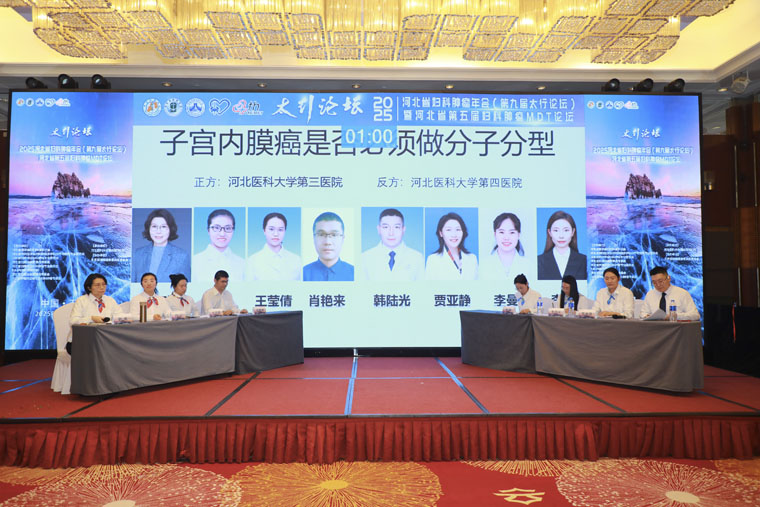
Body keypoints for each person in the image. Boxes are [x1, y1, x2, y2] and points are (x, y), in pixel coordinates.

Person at [360, 208, 424, 281]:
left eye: (396, 227)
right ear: (379, 229)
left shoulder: (417, 258)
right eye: (385, 227)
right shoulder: (365, 258)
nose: (391, 233)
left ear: (403, 230)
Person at [132, 209, 191, 283]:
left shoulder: (181, 256)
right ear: (149, 228)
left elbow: (185, 287)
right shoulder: (138, 254)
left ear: (170, 229)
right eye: (154, 226)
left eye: (163, 226)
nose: (158, 231)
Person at [193, 209, 245, 284]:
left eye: (228, 228)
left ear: (233, 230)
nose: (222, 234)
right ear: (208, 230)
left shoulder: (242, 264)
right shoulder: (195, 262)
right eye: (216, 228)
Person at [245, 212, 301, 281]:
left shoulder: (296, 260)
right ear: (264, 230)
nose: (276, 234)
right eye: (271, 229)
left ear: (285, 231)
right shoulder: (252, 261)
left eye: (280, 229)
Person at [425, 212, 478, 280]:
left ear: (463, 232)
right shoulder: (433, 260)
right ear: (441, 233)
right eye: (448, 230)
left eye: (458, 229)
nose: (454, 235)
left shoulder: (472, 259)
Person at [303, 212, 354, 281]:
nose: (327, 242)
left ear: (342, 239)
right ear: (313, 238)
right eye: (321, 235)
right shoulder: (302, 274)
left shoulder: (355, 274)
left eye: (334, 235)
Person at [537, 210, 587, 280]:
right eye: (556, 230)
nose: (561, 236)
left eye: (566, 230)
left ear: (573, 232)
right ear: (549, 232)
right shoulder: (539, 261)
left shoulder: (584, 260)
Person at [479, 212, 528, 281]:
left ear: (518, 235)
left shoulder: (529, 266)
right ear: (495, 234)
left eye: (512, 232)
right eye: (501, 232)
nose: (506, 238)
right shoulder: (483, 265)